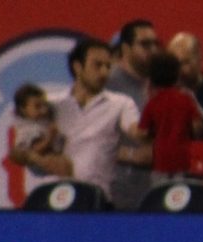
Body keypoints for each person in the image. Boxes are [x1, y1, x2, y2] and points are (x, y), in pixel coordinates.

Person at [52, 38, 146, 198]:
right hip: (53, 197)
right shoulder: (51, 105)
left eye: (108, 66)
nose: (104, 73)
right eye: (97, 65)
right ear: (78, 67)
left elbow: (136, 130)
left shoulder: (121, 103)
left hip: (97, 201)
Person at [0, 83, 71, 210]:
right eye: (37, 106)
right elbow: (34, 152)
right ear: (23, 109)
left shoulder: (43, 119)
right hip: (44, 174)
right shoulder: (26, 129)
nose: (43, 110)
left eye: (44, 105)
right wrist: (50, 138)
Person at [137, 50, 203, 180]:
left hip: (160, 161)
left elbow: (142, 133)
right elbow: (198, 127)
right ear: (177, 74)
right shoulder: (185, 99)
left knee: (160, 196)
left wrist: (153, 138)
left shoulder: (152, 103)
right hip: (184, 160)